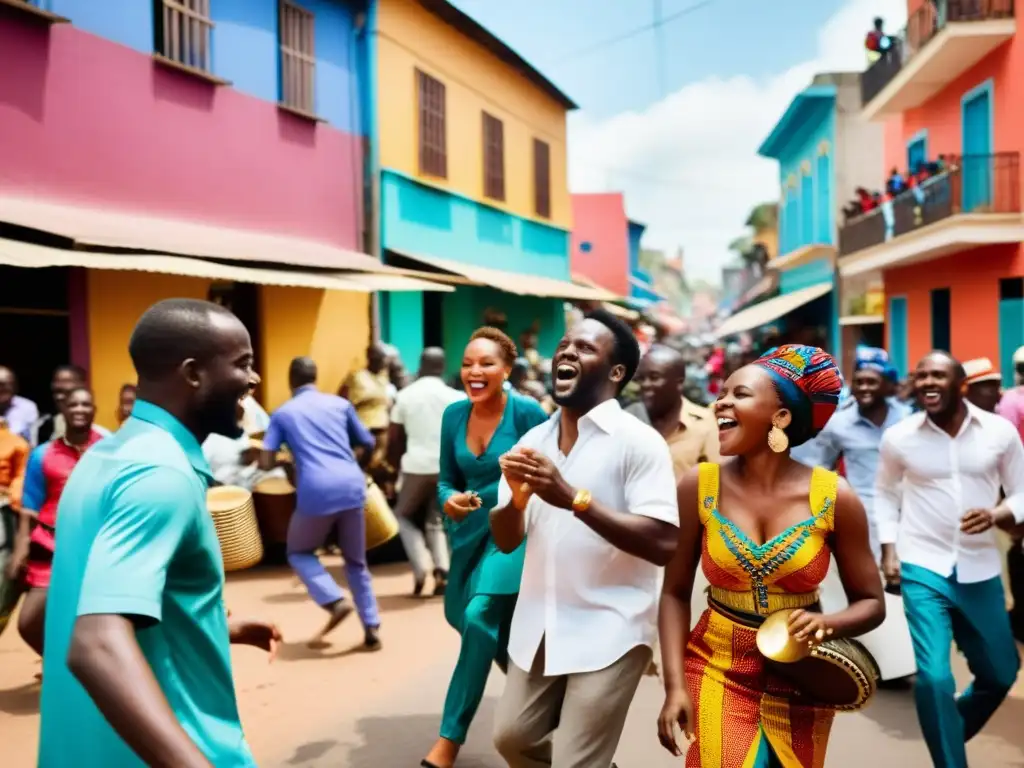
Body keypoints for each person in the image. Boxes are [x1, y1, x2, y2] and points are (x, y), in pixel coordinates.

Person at [38, 298, 280, 767]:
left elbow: (52, 613)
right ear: (193, 374)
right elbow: (95, 644)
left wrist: (212, 626)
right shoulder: (160, 475)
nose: (253, 380)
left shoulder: (106, 459)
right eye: (243, 364)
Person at [658, 345, 886, 766]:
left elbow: (872, 603)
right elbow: (673, 592)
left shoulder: (835, 497)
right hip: (717, 664)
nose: (719, 402)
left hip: (803, 672)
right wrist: (674, 686)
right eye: (722, 393)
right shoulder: (699, 485)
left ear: (780, 417)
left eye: (739, 394)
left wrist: (825, 623)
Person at [490, 311, 679, 768]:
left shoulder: (639, 442)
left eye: (586, 347)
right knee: (511, 740)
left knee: (576, 762)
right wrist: (515, 503)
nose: (568, 352)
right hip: (540, 622)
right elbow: (506, 539)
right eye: (565, 345)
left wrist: (572, 497)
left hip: (612, 624)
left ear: (616, 374)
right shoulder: (532, 441)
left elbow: (663, 542)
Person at [876, 351, 1024, 768]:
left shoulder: (999, 432)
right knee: (935, 677)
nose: (927, 382)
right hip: (922, 564)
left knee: (1000, 673)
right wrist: (889, 548)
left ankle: (947, 731)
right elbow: (885, 493)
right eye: (920, 376)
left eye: (938, 375)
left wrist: (997, 514)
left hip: (979, 568)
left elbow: (1021, 491)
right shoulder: (899, 437)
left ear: (960, 384)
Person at [420, 328, 548, 768]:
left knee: (479, 617)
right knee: (472, 622)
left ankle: (448, 742)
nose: (475, 372)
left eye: (487, 364)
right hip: (467, 536)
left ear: (507, 370)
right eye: (468, 364)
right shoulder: (453, 415)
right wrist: (446, 501)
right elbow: (444, 480)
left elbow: (550, 471)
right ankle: (549, 706)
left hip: (512, 533)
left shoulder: (527, 412)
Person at [260, 357, 380, 648]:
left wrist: (286, 462)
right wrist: (352, 463)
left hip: (315, 490)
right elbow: (369, 442)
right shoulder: (340, 405)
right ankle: (372, 626)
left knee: (299, 552)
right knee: (356, 562)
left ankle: (334, 600)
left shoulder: (283, 413)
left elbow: (266, 461)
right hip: (352, 485)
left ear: (291, 381)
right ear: (315, 377)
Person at [9, 387, 106, 657]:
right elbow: (30, 508)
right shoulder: (42, 454)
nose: (79, 410)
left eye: (86, 404)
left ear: (94, 411)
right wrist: (20, 550)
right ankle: (62, 667)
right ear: (63, 410)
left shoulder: (110, 450)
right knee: (29, 623)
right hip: (50, 549)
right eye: (73, 405)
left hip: (96, 549)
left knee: (95, 621)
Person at [388, 347, 464, 597]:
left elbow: (395, 438)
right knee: (437, 521)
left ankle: (421, 567)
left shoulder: (405, 395)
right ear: (442, 367)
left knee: (401, 515)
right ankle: (443, 569)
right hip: (445, 467)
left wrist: (394, 468)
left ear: (420, 365)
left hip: (416, 466)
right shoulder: (455, 397)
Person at [628, 344, 721, 477]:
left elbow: (713, 483)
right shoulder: (629, 420)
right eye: (640, 379)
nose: (645, 385)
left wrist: (704, 497)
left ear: (679, 382)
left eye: (654, 377)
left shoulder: (705, 424)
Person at [0, 417, 29, 636]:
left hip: (3, 509)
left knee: (3, 566)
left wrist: (13, 500)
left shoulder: (16, 443)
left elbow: (20, 477)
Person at [0, 366, 39, 442]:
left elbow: (32, 442)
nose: (2, 389)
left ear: (15, 386)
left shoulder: (27, 407)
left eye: (6, 384)